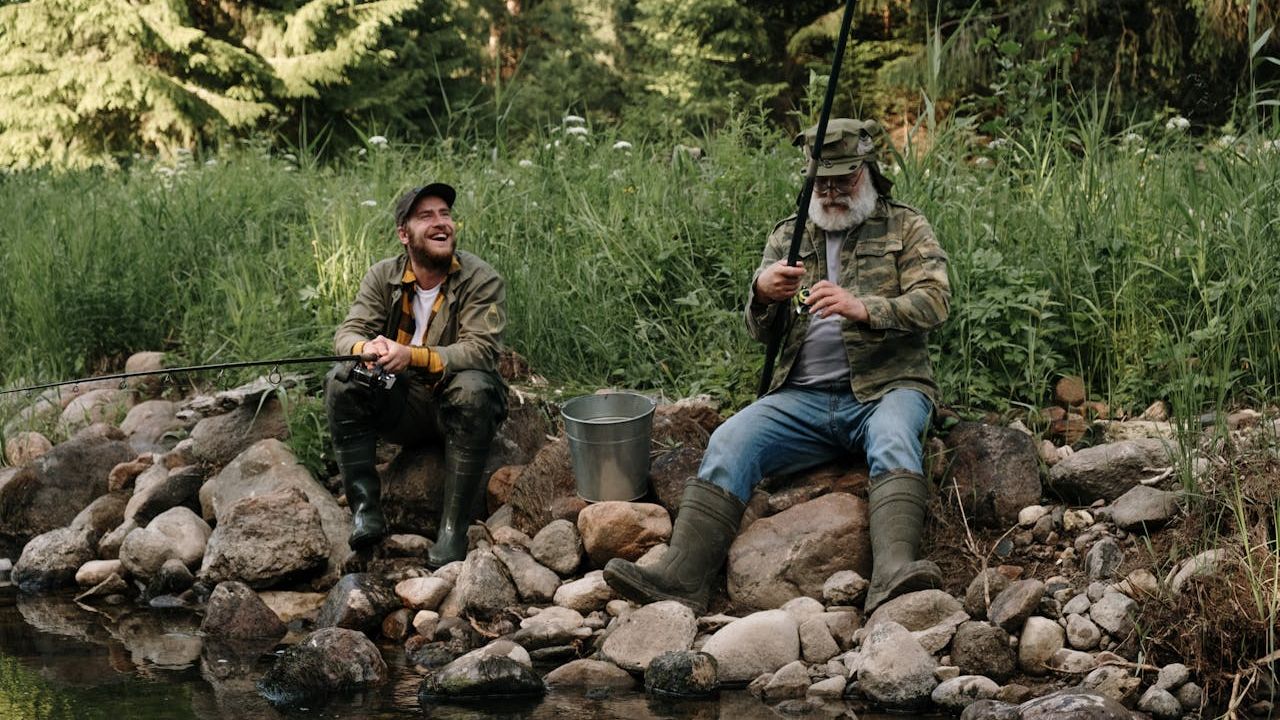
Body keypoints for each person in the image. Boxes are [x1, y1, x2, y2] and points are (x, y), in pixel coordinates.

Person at [604, 119, 951, 613]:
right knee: (730, 439)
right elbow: (761, 332)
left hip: (887, 389)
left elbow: (935, 303)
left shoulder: (905, 225)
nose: (830, 193)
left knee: (894, 436)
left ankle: (893, 572)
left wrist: (863, 307)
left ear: (868, 173)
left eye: (842, 180)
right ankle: (682, 577)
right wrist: (762, 296)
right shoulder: (788, 235)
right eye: (820, 182)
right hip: (801, 398)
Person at [325, 182, 507, 568]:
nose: (441, 223)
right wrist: (367, 349)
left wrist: (413, 356)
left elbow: (481, 350)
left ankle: (452, 532)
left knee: (474, 386)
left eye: (445, 214)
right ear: (404, 234)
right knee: (343, 378)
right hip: (403, 404)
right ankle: (366, 513)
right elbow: (346, 335)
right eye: (426, 216)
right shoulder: (382, 276)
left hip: (454, 405)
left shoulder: (482, 278)